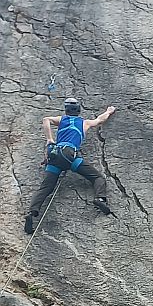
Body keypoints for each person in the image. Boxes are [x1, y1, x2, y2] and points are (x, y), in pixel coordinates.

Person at [24, 99, 116, 234]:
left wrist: (50, 139)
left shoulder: (62, 120)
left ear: (66, 110)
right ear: (78, 111)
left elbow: (46, 119)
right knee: (97, 177)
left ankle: (32, 212)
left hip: (54, 155)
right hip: (69, 155)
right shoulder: (84, 123)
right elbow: (100, 120)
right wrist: (109, 111)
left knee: (45, 187)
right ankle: (100, 199)